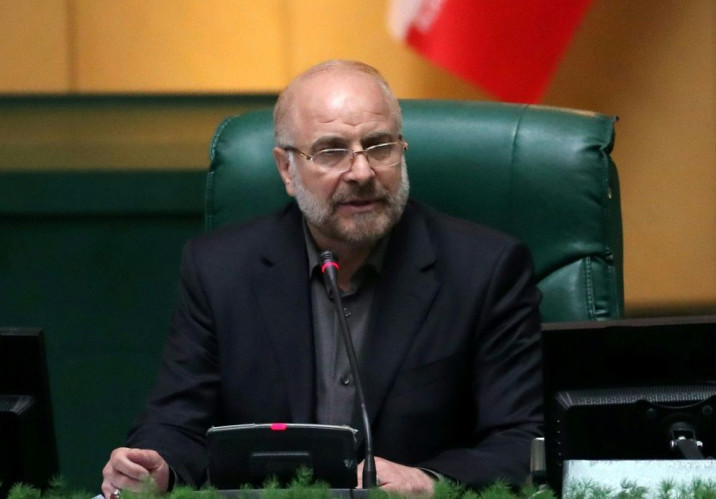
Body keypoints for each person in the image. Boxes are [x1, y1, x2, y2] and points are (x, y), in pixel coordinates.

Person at [101, 60, 543, 498]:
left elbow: (525, 440)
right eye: (332, 152)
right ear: (286, 170)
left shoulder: (486, 270)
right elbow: (177, 421)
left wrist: (429, 481)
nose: (363, 172)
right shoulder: (220, 270)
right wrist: (159, 466)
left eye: (379, 146)